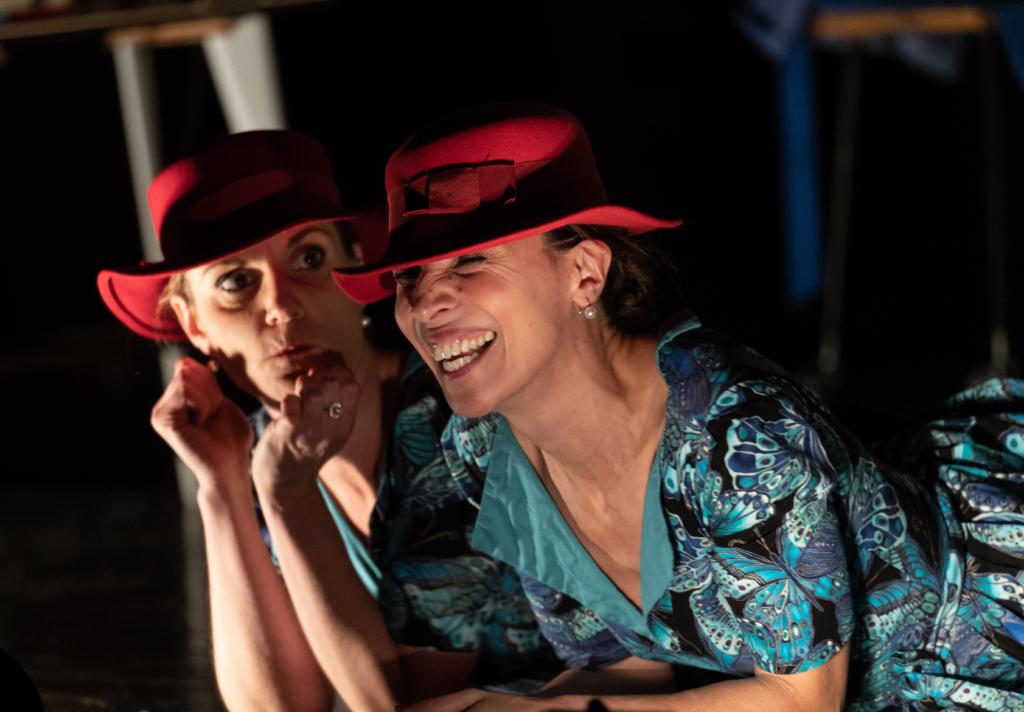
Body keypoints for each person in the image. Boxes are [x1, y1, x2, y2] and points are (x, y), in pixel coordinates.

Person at [333, 103, 1024, 710]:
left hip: (987, 655)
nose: (425, 302)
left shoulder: (736, 431)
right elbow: (630, 666)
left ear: (585, 273)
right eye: (409, 275)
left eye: (470, 262)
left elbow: (802, 700)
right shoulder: (483, 450)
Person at [97, 130, 557, 711]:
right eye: (236, 282)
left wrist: (288, 491)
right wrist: (221, 487)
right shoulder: (263, 452)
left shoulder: (454, 422)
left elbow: (402, 706)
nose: (282, 305)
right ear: (194, 325)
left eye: (309, 258)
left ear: (355, 271)